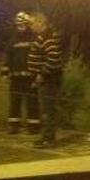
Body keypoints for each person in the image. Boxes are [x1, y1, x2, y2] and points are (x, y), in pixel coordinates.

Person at [27, 12, 63, 148]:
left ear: (40, 23)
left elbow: (53, 58)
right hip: (45, 79)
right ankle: (46, 137)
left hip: (49, 80)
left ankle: (49, 139)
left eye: (32, 23)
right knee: (45, 110)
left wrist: (41, 74)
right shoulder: (43, 37)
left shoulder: (47, 38)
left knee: (47, 110)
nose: (31, 27)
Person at [2, 11, 39, 135]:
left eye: (23, 25)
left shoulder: (35, 38)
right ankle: (13, 126)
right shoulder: (13, 39)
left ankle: (34, 127)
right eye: (18, 25)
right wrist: (5, 72)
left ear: (28, 24)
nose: (20, 27)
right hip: (16, 77)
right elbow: (8, 57)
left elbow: (39, 56)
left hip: (31, 76)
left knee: (32, 103)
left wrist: (39, 73)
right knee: (14, 102)